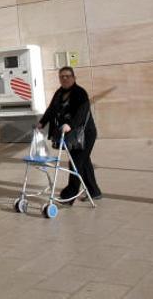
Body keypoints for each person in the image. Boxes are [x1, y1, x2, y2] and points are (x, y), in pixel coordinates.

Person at [36, 66, 102, 204]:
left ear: (74, 78)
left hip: (84, 134)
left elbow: (82, 112)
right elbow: (51, 110)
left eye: (67, 76)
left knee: (76, 163)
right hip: (71, 134)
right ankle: (94, 191)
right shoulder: (59, 93)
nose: (64, 79)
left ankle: (68, 196)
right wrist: (42, 122)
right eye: (62, 76)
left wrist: (70, 124)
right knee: (83, 162)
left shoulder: (80, 93)